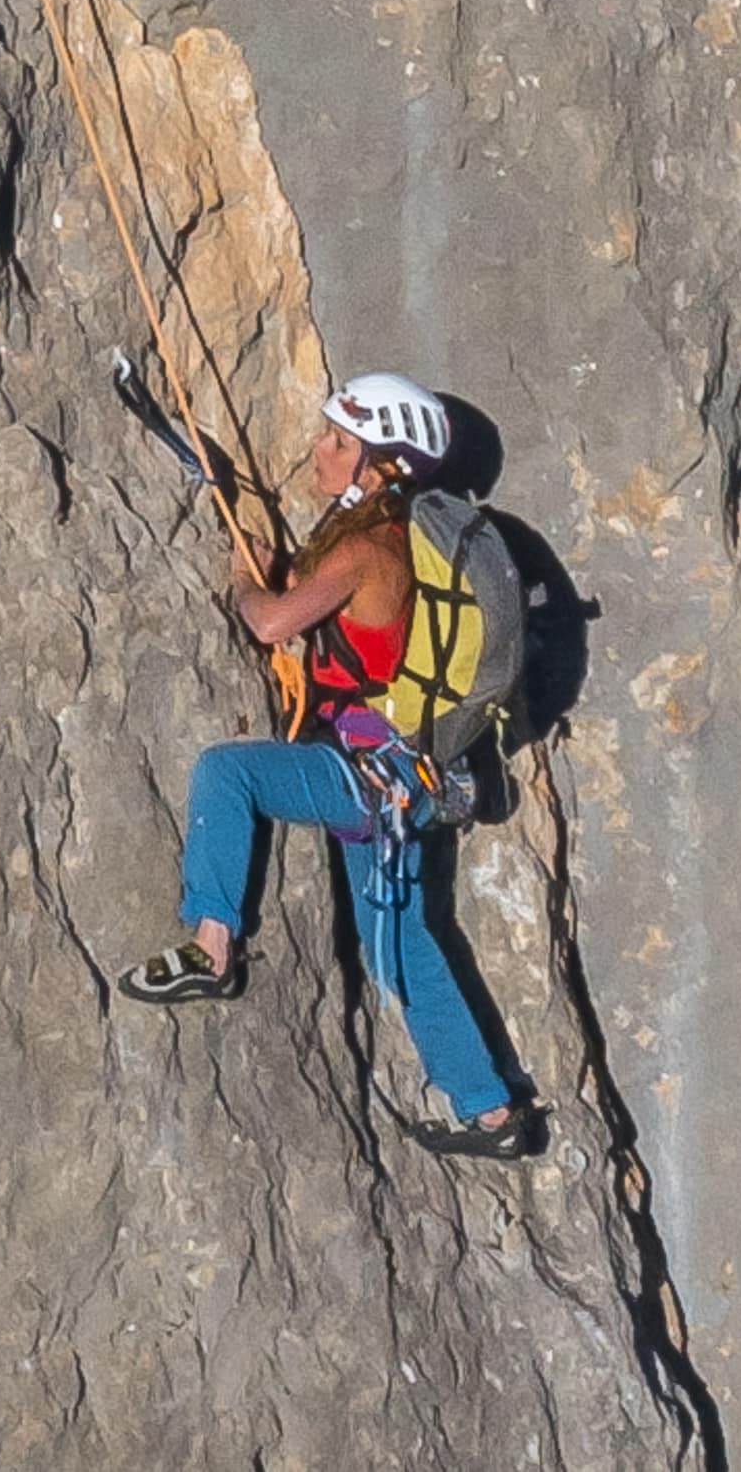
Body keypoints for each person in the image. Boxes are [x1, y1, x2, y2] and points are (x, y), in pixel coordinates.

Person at [117, 369, 533, 1158]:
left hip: (363, 772)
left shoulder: (365, 549)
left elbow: (273, 624)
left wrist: (245, 581)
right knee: (405, 945)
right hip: (400, 776)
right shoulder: (389, 542)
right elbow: (332, 617)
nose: (319, 448)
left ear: (380, 468)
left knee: (227, 772)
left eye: (339, 442)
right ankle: (492, 1110)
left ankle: (212, 949)